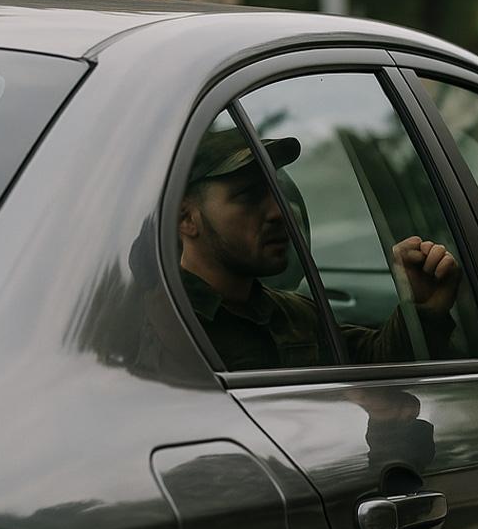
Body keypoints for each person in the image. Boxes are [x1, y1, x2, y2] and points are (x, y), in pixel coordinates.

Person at [179, 127, 459, 370]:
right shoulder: (163, 328)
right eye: (249, 196)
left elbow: (379, 373)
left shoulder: (294, 316)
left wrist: (423, 310)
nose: (280, 210)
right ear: (187, 219)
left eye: (276, 191)